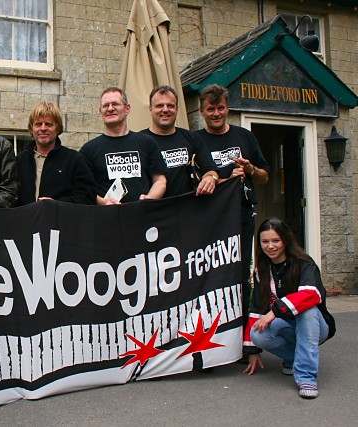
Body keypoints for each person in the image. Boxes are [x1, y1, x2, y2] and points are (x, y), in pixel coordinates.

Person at [196, 84, 270, 331]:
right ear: (202, 111)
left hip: (241, 214)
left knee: (239, 274)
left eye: (220, 108)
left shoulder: (244, 137)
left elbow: (264, 177)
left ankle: (241, 333)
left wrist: (250, 169)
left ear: (228, 108)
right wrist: (224, 180)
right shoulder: (195, 140)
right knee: (209, 274)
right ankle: (209, 332)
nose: (216, 113)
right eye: (210, 109)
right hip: (207, 218)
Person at [243, 218, 335, 399]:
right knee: (258, 334)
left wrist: (274, 311)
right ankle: (294, 359)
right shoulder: (262, 269)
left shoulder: (304, 263)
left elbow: (312, 295)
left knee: (306, 310)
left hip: (316, 326)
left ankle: (306, 376)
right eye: (265, 241)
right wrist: (252, 351)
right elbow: (256, 307)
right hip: (287, 325)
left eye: (276, 241)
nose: (270, 246)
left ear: (285, 240)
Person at [80, 87, 167, 204]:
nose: (110, 108)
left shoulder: (147, 142)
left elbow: (160, 180)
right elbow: (82, 188)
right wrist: (103, 202)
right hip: (107, 218)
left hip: (142, 216)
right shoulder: (88, 150)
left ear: (127, 108)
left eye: (115, 104)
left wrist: (150, 198)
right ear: (100, 112)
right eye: (105, 105)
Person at [140, 85, 219, 198]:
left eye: (170, 106)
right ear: (150, 109)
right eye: (159, 106)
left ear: (177, 109)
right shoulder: (139, 141)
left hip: (188, 210)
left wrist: (210, 178)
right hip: (153, 210)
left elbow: (211, 170)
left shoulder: (192, 138)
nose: (165, 110)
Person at [16, 101, 95, 206]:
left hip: (61, 221)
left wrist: (57, 205)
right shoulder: (19, 161)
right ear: (32, 128)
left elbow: (87, 197)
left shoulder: (74, 160)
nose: (43, 128)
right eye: (38, 124)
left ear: (57, 128)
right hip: (26, 221)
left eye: (48, 124)